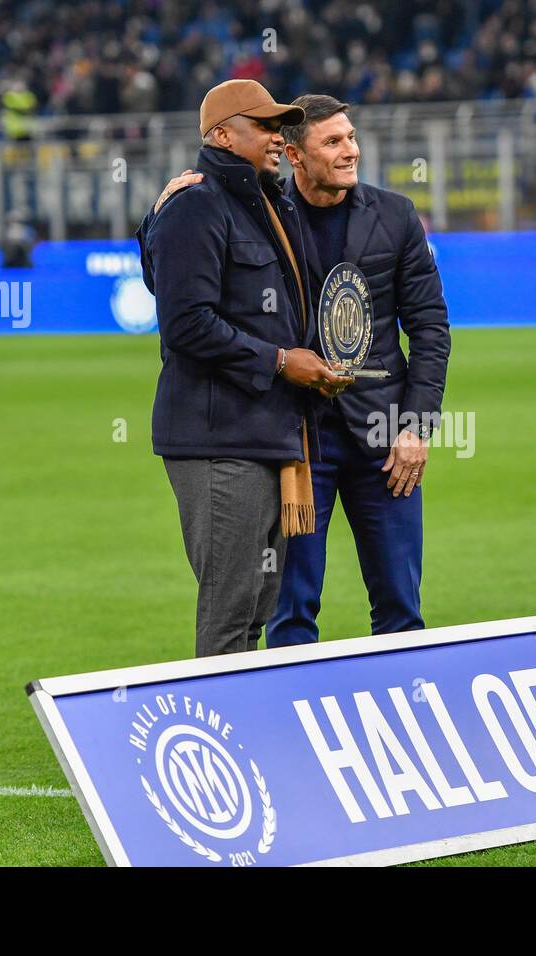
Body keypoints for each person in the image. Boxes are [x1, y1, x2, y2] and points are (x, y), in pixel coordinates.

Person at [147, 93, 451, 647]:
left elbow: (430, 327)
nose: (350, 151)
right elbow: (186, 284)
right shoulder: (267, 212)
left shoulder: (395, 215)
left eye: (351, 138)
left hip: (384, 437)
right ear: (294, 154)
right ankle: (288, 726)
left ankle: (405, 722)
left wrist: (417, 426)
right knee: (287, 608)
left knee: (401, 608)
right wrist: (155, 216)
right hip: (297, 438)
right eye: (333, 142)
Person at [137, 79, 351, 657]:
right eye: (265, 126)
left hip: (264, 431)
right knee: (231, 611)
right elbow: (186, 323)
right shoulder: (196, 203)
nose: (279, 136)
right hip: (217, 438)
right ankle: (219, 743)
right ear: (223, 135)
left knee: (257, 605)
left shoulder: (261, 202)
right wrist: (282, 362)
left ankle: (246, 734)